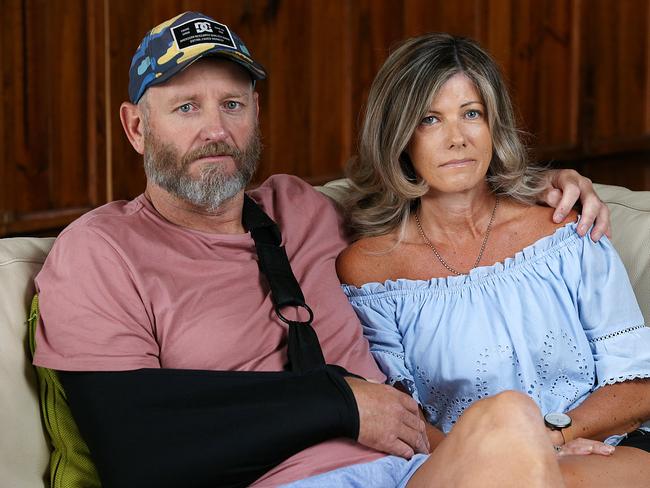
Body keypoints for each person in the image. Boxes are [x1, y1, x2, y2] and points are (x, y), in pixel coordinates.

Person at [33, 12, 613, 488]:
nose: (215, 129)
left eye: (232, 104)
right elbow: (132, 448)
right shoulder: (102, 251)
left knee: (513, 421)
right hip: (281, 481)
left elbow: (427, 187)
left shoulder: (304, 209)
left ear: (256, 113)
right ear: (136, 128)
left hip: (413, 473)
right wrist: (338, 404)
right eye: (186, 108)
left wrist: (535, 185)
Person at [337, 33, 650, 486]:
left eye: (471, 114)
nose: (457, 138)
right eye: (430, 119)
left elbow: (638, 386)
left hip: (602, 446)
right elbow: (399, 416)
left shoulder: (565, 229)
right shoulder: (371, 272)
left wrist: (550, 440)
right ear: (400, 136)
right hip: (466, 468)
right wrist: (504, 458)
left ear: (493, 125)